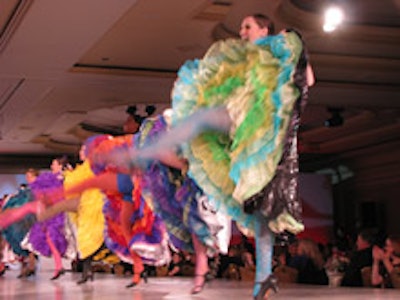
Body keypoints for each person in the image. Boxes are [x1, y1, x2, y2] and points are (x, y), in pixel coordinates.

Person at [99, 13, 314, 299]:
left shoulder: (277, 49)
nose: (241, 31)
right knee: (196, 123)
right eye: (241, 27)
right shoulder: (245, 57)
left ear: (264, 29)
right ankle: (149, 153)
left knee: (261, 210)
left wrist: (296, 45)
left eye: (247, 26)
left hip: (260, 133)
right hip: (239, 127)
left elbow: (307, 79)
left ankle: (263, 278)